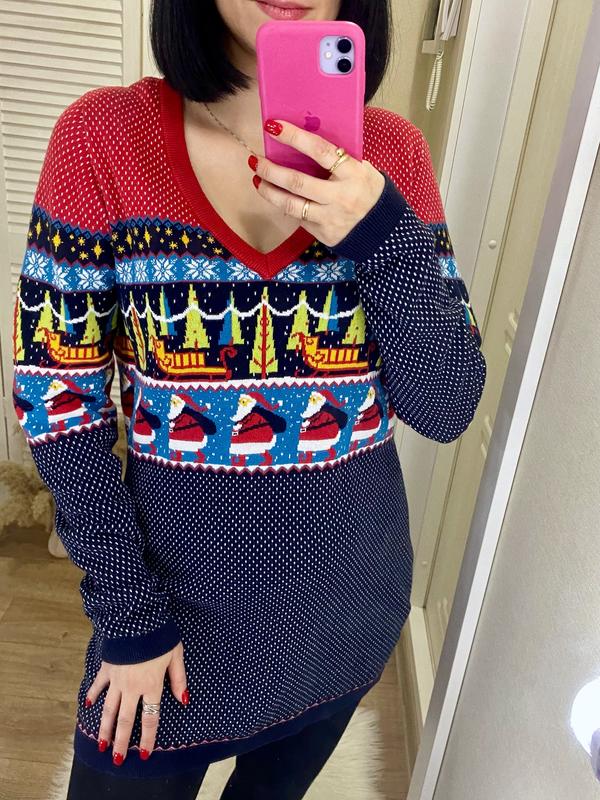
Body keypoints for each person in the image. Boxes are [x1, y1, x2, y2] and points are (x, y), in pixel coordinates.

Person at [11, 0, 487, 796]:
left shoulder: (392, 156)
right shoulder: (104, 138)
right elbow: (60, 402)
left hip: (349, 616)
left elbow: (446, 405)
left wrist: (381, 234)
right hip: (169, 628)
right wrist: (128, 617)